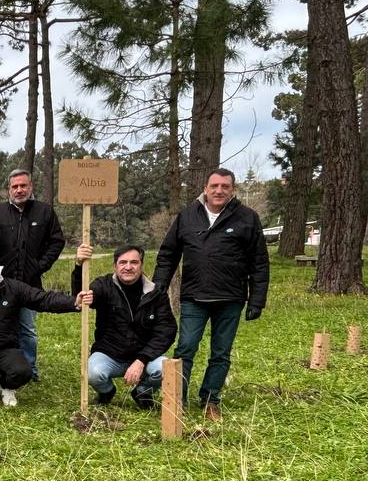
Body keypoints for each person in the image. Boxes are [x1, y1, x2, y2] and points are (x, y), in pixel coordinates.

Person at [152, 169, 269, 420]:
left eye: (225, 186)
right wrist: (159, 283)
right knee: (186, 347)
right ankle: (177, 398)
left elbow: (259, 262)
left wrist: (257, 299)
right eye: (214, 186)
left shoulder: (247, 218)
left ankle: (210, 399)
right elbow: (168, 253)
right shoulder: (187, 216)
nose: (219, 190)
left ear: (233, 190)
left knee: (221, 352)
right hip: (194, 297)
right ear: (205, 188)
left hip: (231, 299)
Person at [0, 249, 90, 407]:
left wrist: (74, 302)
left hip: (4, 349)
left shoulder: (13, 288)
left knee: (23, 372)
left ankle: (5, 386)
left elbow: (42, 299)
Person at [0, 169, 65, 382]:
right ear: (8, 189)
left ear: (31, 187)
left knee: (27, 328)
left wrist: (40, 265)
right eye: (14, 186)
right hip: (2, 283)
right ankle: (0, 366)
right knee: (0, 326)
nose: (19, 190)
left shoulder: (44, 212)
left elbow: (57, 241)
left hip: (30, 282)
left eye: (23, 186)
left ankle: (30, 368)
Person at [72, 243, 176, 408]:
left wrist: (141, 360)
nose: (128, 267)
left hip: (144, 357)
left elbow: (166, 330)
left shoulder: (156, 293)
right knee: (92, 373)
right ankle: (106, 392)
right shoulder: (103, 286)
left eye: (134, 262)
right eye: (123, 262)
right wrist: (79, 265)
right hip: (110, 354)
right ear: (115, 266)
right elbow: (81, 296)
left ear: (141, 265)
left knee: (166, 368)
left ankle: (142, 392)